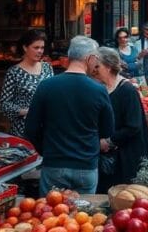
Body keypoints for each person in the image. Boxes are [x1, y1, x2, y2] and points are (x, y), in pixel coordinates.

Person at [25, 36, 115, 196]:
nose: (96, 66)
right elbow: (107, 130)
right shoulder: (98, 90)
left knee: (50, 216)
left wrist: (46, 150)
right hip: (86, 164)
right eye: (96, 60)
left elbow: (31, 129)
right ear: (89, 58)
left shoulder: (46, 86)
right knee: (83, 217)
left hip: (54, 162)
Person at [90, 48, 148, 193]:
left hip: (126, 157)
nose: (94, 70)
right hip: (106, 158)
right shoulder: (99, 89)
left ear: (108, 67)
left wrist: (109, 141)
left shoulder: (127, 90)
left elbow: (133, 126)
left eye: (98, 66)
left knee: (124, 196)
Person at [0, 30, 55, 137]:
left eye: (42, 48)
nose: (40, 51)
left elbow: (53, 95)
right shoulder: (14, 72)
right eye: (36, 47)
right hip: (23, 129)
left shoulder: (47, 67)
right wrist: (28, 111)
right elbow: (5, 105)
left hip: (47, 128)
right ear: (25, 48)